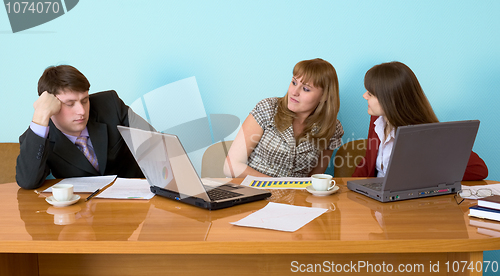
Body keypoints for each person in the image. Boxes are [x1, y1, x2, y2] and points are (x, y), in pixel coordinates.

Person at [16, 65, 155, 190]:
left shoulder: (110, 105)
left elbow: (154, 142)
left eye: (84, 100)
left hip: (133, 202)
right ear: (50, 106)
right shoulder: (38, 137)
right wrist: (41, 115)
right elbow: (28, 182)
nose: (82, 111)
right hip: (81, 211)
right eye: (70, 104)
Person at [352, 61, 488, 180]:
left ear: (389, 99)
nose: (364, 96)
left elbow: (479, 169)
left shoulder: (423, 134)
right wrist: (348, 188)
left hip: (405, 204)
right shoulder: (377, 120)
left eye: (370, 93)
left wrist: (425, 173)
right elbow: (369, 162)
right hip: (375, 201)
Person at [223, 58, 344, 178]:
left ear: (324, 96)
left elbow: (314, 179)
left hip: (296, 196)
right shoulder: (268, 108)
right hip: (253, 192)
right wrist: (278, 186)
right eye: (294, 82)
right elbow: (231, 167)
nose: (294, 92)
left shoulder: (332, 128)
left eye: (306, 89)